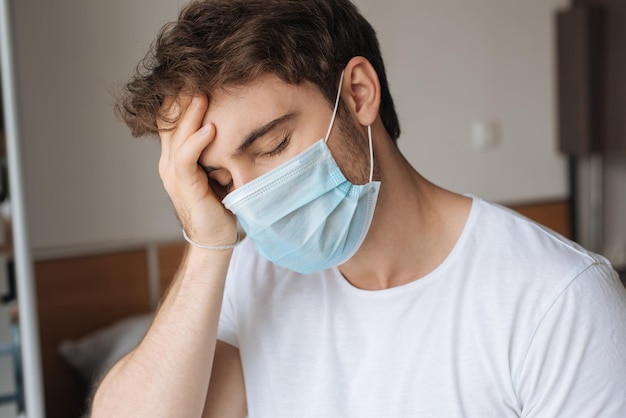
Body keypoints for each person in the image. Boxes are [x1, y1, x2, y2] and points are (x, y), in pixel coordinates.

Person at [91, 0, 626, 416]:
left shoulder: (558, 300)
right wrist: (206, 244)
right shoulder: (251, 279)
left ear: (358, 93)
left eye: (272, 147)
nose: (252, 194)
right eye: (223, 179)